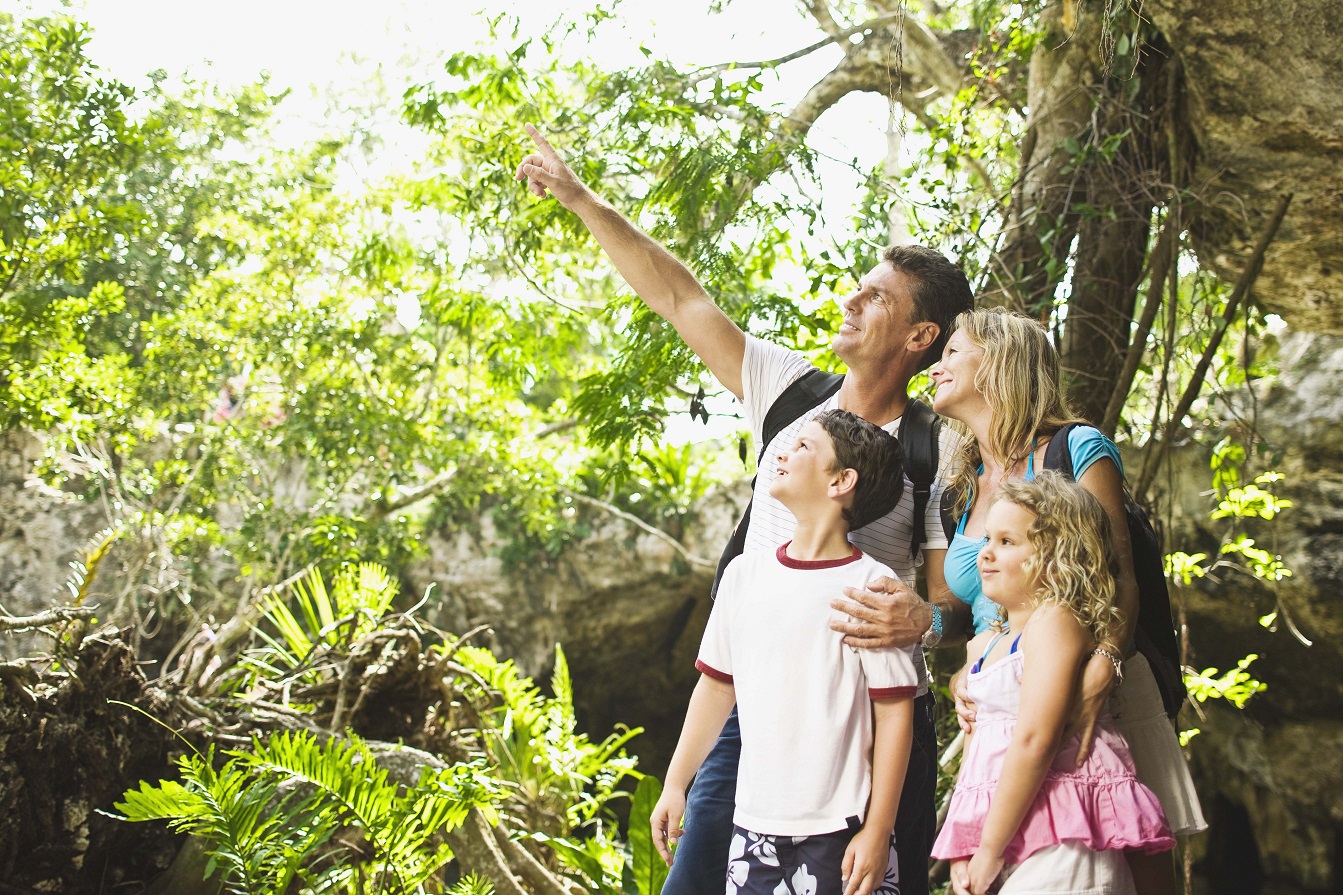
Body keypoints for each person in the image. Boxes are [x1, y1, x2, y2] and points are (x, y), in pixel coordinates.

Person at [515, 124, 974, 895]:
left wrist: (927, 623)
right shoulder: (789, 394)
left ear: (920, 335)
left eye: (876, 297)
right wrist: (578, 196)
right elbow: (676, 294)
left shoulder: (938, 450)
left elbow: (957, 603)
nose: (850, 300)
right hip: (751, 707)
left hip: (865, 719)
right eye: (857, 286)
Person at [928, 307, 1206, 894]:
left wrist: (1105, 660)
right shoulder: (962, 484)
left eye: (953, 351)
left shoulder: (1076, 447)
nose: (936, 366)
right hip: (1007, 702)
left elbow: (1118, 574)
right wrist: (969, 673)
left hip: (1096, 689)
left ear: (1001, 361)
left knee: (1125, 850)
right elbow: (977, 605)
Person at [652, 410, 917, 895]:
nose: (782, 453)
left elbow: (896, 715)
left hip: (842, 829)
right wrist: (675, 783)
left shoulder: (872, 587)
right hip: (751, 828)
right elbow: (714, 690)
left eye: (803, 447)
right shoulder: (742, 576)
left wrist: (878, 830)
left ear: (841, 480)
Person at [932, 474, 1175, 895]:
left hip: (1065, 827)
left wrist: (988, 850)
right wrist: (966, 848)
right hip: (1006, 830)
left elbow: (1035, 740)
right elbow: (975, 767)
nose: (986, 554)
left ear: (1056, 556)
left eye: (1007, 542)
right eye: (988, 539)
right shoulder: (989, 645)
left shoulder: (1054, 622)